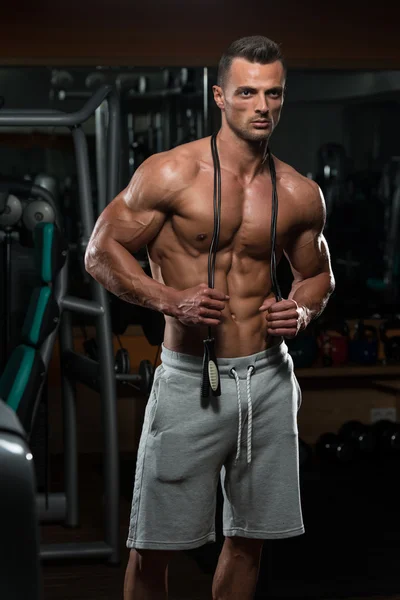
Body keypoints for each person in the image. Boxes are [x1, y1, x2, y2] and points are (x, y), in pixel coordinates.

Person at [85, 35, 335, 600]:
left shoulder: (299, 192)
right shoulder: (172, 174)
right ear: (221, 96)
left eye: (273, 94)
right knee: (154, 546)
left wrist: (303, 307)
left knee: (250, 539)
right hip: (188, 380)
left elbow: (319, 273)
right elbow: (100, 251)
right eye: (247, 92)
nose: (262, 106)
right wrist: (168, 299)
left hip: (270, 380)